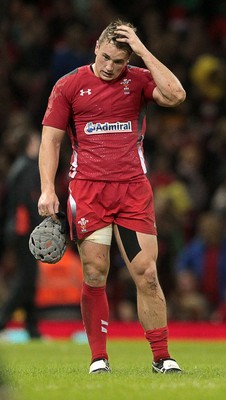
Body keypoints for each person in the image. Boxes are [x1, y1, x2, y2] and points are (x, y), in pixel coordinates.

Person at [37, 19, 186, 374]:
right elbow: (50, 140)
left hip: (133, 189)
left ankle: (161, 357)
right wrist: (46, 188)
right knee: (94, 272)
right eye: (105, 58)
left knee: (147, 274)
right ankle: (98, 358)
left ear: (128, 59)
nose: (109, 67)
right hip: (88, 189)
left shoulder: (137, 79)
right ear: (96, 48)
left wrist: (143, 51)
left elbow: (176, 95)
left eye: (118, 62)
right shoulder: (69, 85)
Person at [0, 129, 42, 339]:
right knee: (26, 278)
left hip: (15, 227)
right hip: (23, 228)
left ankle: (32, 328)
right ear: (30, 144)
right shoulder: (29, 168)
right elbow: (29, 201)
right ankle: (2, 320)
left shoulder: (17, 167)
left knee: (29, 277)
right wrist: (41, 226)